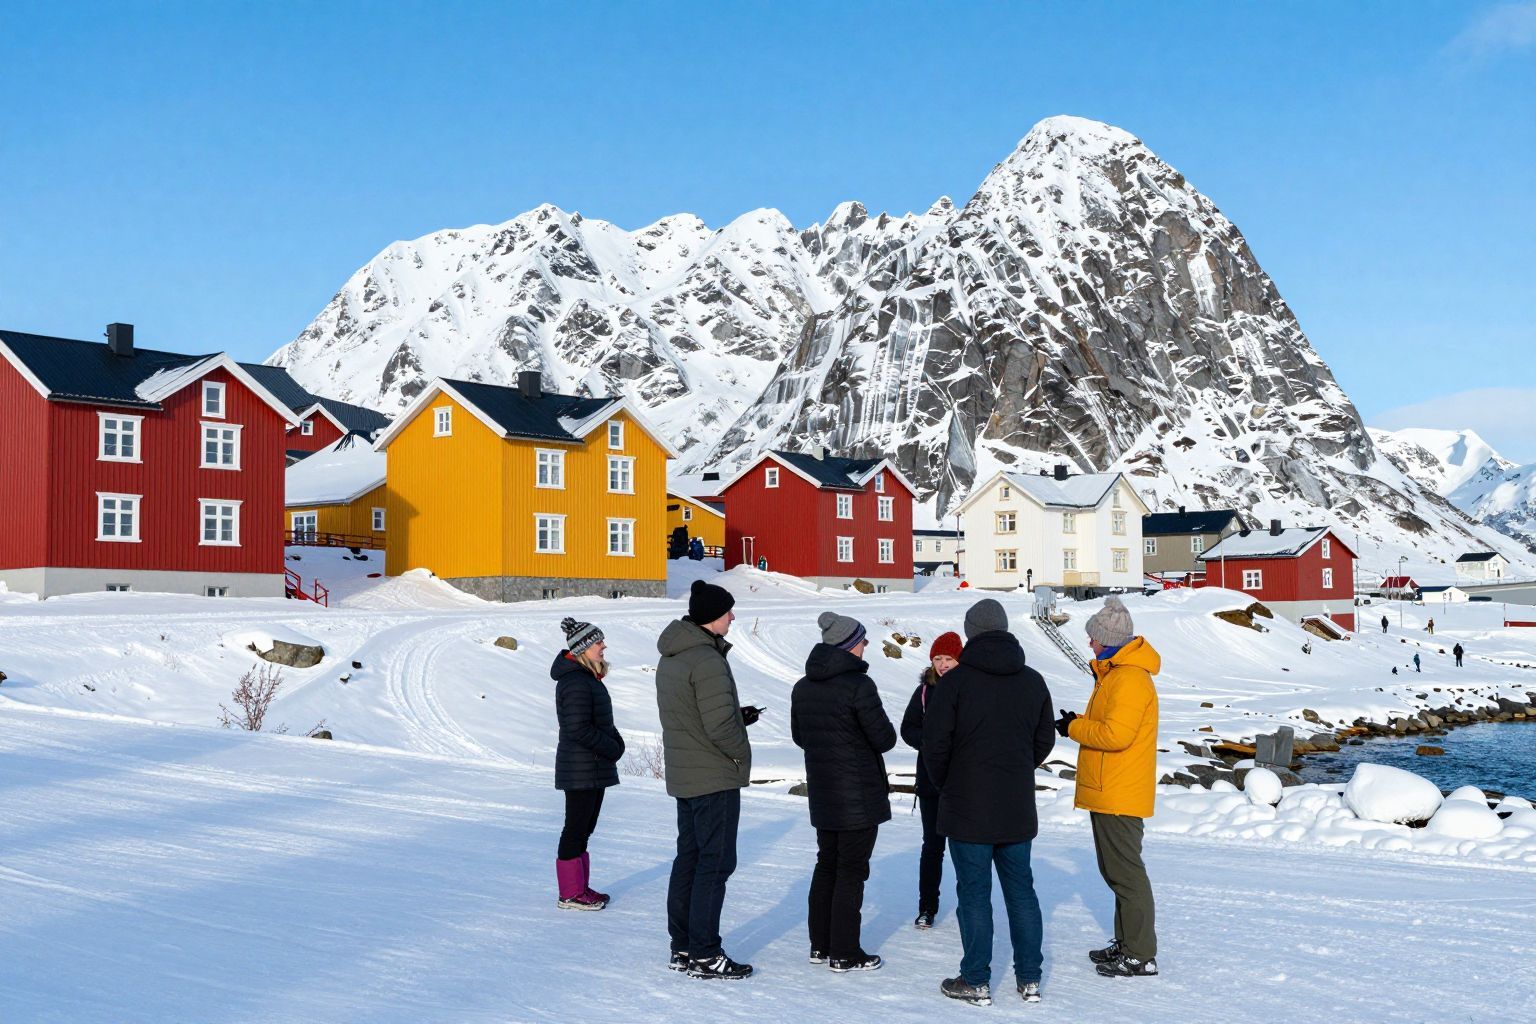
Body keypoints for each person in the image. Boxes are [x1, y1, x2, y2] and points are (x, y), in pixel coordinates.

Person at [923, 599, 1055, 1006]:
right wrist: (1017, 770)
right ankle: (1029, 978)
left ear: (970, 634)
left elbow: (935, 745)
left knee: (974, 893)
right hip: (1015, 804)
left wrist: (949, 783)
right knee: (1022, 892)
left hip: (967, 806)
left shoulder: (956, 684)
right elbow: (1044, 739)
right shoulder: (1032, 680)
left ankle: (976, 979)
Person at [656, 579, 756, 980]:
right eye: (728, 611)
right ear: (713, 617)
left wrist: (736, 715)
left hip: (685, 771)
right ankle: (705, 953)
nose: (732, 616)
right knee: (714, 864)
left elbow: (692, 714)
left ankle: (682, 946)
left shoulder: (673, 655)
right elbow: (717, 727)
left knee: (690, 860)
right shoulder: (707, 659)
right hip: (713, 773)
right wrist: (738, 749)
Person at [1057, 595, 1161, 980]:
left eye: (1093, 638)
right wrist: (1081, 721)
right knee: (1117, 873)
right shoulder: (1116, 674)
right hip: (1111, 788)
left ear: (1108, 639)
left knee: (1127, 875)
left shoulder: (1130, 677)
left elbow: (1116, 734)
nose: (1090, 643)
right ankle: (1129, 943)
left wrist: (1073, 728)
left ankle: (1140, 954)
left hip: (1119, 790)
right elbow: (1112, 724)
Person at [790, 611, 897, 972]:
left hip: (823, 792)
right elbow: (884, 739)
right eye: (863, 640)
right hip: (859, 796)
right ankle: (845, 951)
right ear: (850, 644)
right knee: (851, 871)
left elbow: (800, 738)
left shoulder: (803, 686)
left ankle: (820, 946)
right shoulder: (858, 686)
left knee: (827, 866)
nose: (866, 645)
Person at [552, 616, 625, 911]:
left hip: (591, 766)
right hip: (580, 768)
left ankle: (579, 888)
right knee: (576, 828)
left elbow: (602, 723)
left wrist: (616, 744)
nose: (603, 646)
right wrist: (612, 748)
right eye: (598, 642)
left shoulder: (587, 679)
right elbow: (577, 728)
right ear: (583, 648)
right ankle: (570, 894)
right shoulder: (575, 682)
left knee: (584, 828)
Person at [901, 631, 963, 929]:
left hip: (962, 782)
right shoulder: (925, 690)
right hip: (929, 781)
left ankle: (970, 906)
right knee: (933, 846)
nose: (943, 664)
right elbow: (907, 728)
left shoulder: (970, 687)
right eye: (938, 658)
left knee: (965, 847)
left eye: (948, 658)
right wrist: (929, 742)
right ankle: (927, 906)